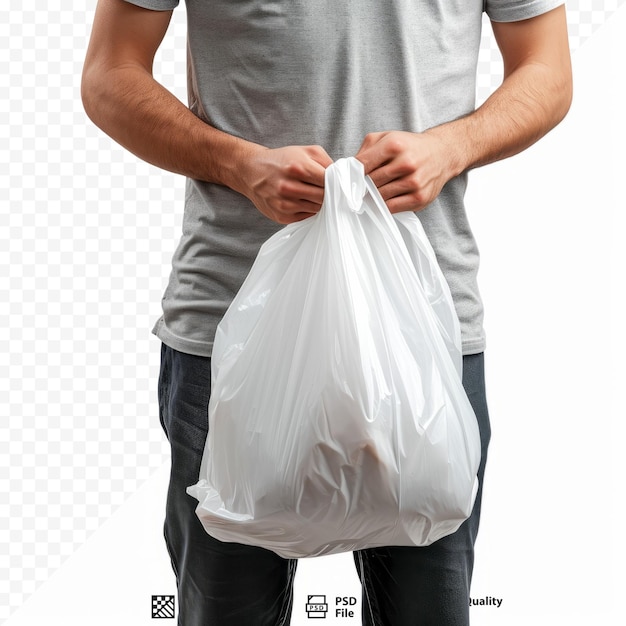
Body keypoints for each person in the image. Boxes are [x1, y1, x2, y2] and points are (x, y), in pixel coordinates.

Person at [81, 0, 572, 623]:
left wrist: (453, 147)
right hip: (230, 325)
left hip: (424, 327)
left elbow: (547, 68)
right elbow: (109, 73)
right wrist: (238, 164)